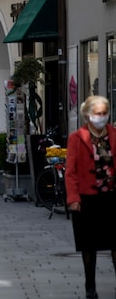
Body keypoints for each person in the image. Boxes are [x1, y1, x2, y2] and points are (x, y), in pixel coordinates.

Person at [65, 95, 116, 299]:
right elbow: (71, 171)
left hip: (112, 197)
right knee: (89, 245)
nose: (101, 117)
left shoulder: (113, 134)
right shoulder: (77, 138)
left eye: (104, 113)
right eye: (97, 114)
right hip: (87, 199)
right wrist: (73, 198)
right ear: (88, 115)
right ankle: (90, 286)